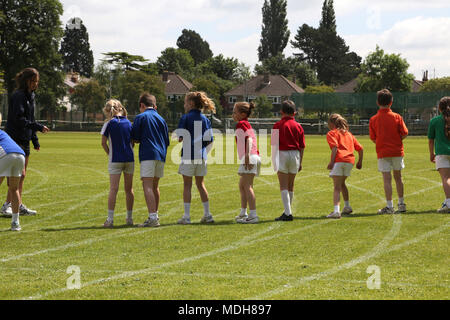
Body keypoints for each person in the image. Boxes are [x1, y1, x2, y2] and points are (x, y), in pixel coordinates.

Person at [0, 68, 50, 217]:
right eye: (33, 81)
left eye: (37, 82)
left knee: (22, 175)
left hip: (25, 140)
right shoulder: (18, 96)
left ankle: (17, 204)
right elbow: (19, 119)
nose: (35, 84)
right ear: (26, 80)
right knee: (10, 175)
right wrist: (39, 127)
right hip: (14, 139)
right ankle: (8, 205)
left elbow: (31, 119)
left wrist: (35, 139)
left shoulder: (31, 96)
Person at [176, 92, 215, 225]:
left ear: (191, 103)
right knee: (201, 185)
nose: (184, 104)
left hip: (188, 155)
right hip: (201, 155)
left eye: (186, 102)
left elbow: (180, 137)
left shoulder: (185, 118)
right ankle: (207, 214)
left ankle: (186, 216)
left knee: (187, 185)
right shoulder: (206, 119)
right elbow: (209, 140)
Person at [131, 93, 169, 228]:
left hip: (148, 153)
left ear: (142, 105)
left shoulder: (140, 117)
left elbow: (135, 138)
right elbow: (166, 140)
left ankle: (153, 217)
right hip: (161, 154)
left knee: (146, 184)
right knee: (155, 186)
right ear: (155, 106)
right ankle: (154, 215)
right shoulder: (161, 118)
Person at [369, 89, 409, 215]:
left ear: (377, 102)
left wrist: (382, 143)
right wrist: (396, 141)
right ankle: (401, 204)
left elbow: (373, 137)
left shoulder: (374, 119)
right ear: (391, 102)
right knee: (398, 177)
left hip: (383, 152)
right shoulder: (397, 117)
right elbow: (405, 133)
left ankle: (389, 206)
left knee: (387, 179)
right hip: (397, 150)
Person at [101, 99, 135, 228]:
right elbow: (132, 141)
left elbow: (103, 143)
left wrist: (109, 153)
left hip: (115, 159)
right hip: (129, 158)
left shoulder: (109, 124)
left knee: (113, 189)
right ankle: (130, 218)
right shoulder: (129, 123)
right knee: (129, 189)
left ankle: (110, 219)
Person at [271, 100, 305, 222]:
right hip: (295, 154)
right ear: (294, 113)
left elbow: (274, 145)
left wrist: (273, 160)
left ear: (281, 112)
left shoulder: (277, 125)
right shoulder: (298, 126)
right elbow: (302, 146)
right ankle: (287, 211)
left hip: (282, 153)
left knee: (283, 185)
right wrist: (300, 161)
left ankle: (288, 213)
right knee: (291, 185)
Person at [326, 114, 363, 219]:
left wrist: (331, 162)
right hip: (349, 161)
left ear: (332, 123)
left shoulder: (332, 133)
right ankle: (347, 206)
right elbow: (360, 149)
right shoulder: (349, 134)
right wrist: (360, 162)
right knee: (342, 184)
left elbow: (335, 148)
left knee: (336, 187)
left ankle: (336, 211)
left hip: (339, 160)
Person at [233, 102, 261, 224]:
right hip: (253, 156)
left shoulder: (241, 124)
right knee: (242, 186)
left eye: (235, 112)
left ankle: (253, 215)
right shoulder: (246, 124)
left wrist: (247, 155)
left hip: (250, 156)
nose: (233, 114)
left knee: (247, 186)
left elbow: (249, 139)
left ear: (243, 114)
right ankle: (243, 212)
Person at [0, 113, 26, 231]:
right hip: (20, 155)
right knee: (14, 189)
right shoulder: (3, 133)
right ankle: (15, 223)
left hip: (6, 155)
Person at [428, 97, 450, 213]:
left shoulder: (435, 121)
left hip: (442, 153)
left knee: (446, 179)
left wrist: (431, 154)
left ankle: (449, 203)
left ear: (439, 108)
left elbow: (431, 140)